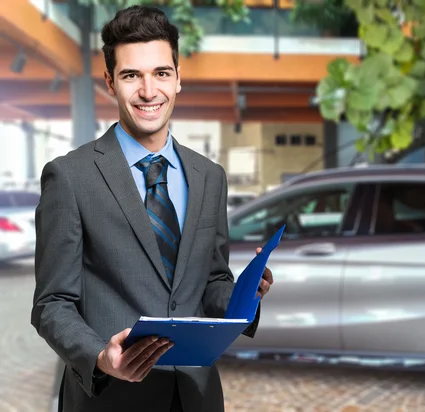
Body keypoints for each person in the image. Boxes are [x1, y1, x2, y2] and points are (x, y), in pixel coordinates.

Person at [31, 5, 273, 412]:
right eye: (131, 75)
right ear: (110, 82)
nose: (148, 91)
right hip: (109, 398)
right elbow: (51, 304)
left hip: (197, 396)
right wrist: (100, 356)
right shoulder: (69, 177)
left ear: (178, 79)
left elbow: (210, 282)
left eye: (161, 73)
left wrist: (245, 296)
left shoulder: (209, 176)